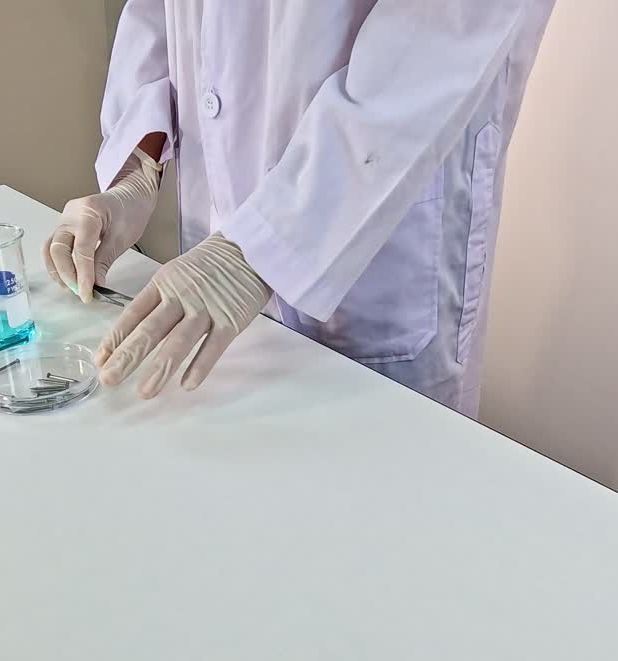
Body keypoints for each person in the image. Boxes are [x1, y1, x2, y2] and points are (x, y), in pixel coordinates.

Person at [43, 1, 556, 418]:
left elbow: (444, 34)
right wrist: (138, 167)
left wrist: (266, 244)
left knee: (384, 507)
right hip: (215, 255)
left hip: (375, 244)